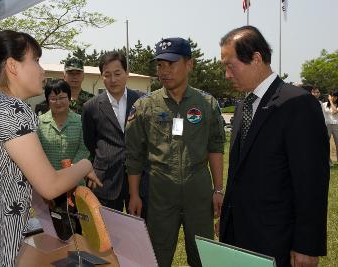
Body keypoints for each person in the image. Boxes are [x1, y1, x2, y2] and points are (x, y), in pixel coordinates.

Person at [0, 30, 101, 266]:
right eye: (35, 60)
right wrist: (86, 165)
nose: (42, 70)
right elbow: (50, 185)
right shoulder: (11, 109)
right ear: (13, 66)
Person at [219, 26, 329, 267]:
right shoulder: (242, 108)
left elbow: (311, 182)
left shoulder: (298, 104)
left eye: (230, 65)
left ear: (256, 58)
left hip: (277, 241)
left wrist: (306, 245)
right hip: (240, 236)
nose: (227, 74)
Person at [126, 37, 226, 267]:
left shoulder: (207, 103)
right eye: (160, 65)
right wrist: (134, 194)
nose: (164, 71)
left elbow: (215, 147)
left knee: (202, 255)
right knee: (156, 255)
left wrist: (218, 189)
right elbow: (134, 155)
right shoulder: (145, 106)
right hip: (160, 191)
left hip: (198, 191)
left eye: (171, 64)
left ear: (189, 64)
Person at [82, 51, 141, 212]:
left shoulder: (142, 101)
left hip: (138, 181)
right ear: (102, 76)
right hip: (105, 181)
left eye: (117, 73)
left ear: (127, 73)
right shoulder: (91, 107)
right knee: (106, 232)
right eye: (107, 75)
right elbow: (90, 141)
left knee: (136, 232)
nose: (113, 80)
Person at [37, 79, 90, 239]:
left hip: (75, 186)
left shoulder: (80, 121)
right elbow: (37, 153)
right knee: (53, 230)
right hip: (49, 187)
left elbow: (85, 148)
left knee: (76, 231)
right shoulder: (39, 123)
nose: (58, 102)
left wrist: (72, 169)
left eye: (62, 97)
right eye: (53, 98)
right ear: (47, 100)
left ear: (69, 98)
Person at [322, 90, 338, 165]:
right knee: (325, 144)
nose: (333, 98)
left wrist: (331, 101)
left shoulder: (336, 105)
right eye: (331, 96)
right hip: (327, 125)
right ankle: (328, 161)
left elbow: (334, 111)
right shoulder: (324, 104)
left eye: (335, 96)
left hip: (336, 125)